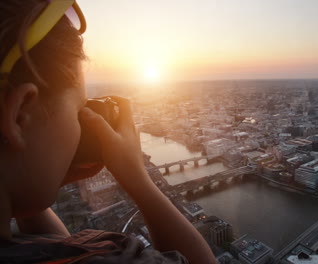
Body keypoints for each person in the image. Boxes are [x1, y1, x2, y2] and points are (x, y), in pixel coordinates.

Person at [0, 1, 216, 263]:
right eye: (77, 110)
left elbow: (47, 247)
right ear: (20, 114)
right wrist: (138, 177)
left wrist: (29, 166)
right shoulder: (110, 256)